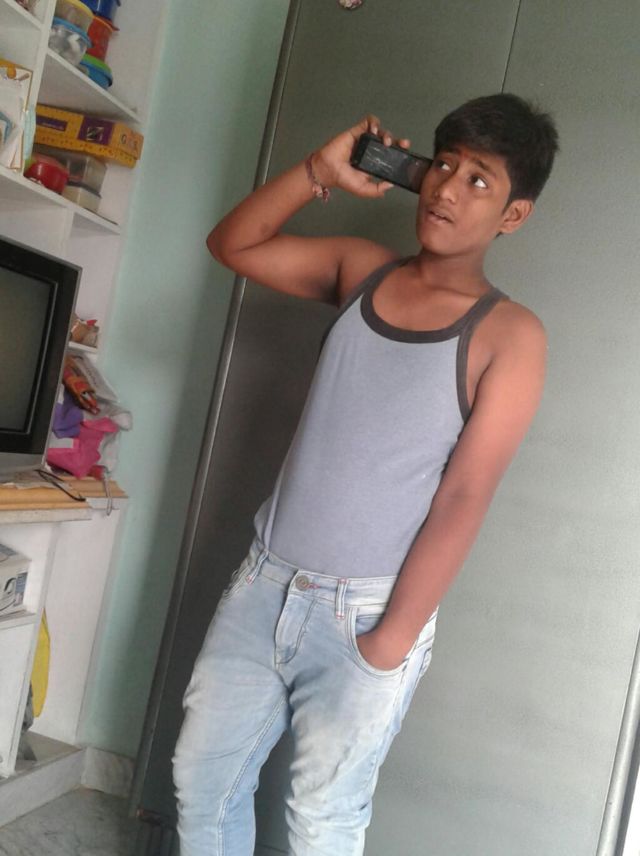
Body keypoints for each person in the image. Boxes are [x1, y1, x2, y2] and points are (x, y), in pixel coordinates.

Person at [172, 93, 559, 856]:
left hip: (367, 614)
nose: (447, 189)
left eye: (479, 180)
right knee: (202, 784)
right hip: (264, 584)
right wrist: (319, 170)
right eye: (443, 165)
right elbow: (233, 244)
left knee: (323, 819)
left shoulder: (510, 336)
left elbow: (465, 495)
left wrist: (393, 639)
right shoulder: (361, 270)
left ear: (514, 215)